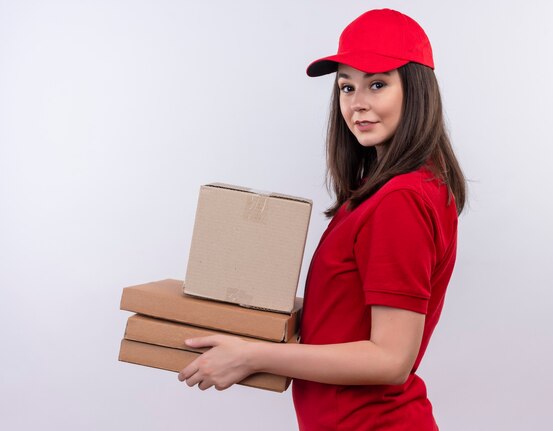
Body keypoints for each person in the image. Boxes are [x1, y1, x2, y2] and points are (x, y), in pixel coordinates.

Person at [178, 8, 466, 430]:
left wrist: (250, 355)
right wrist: (245, 316)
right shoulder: (385, 190)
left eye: (378, 84)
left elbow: (390, 360)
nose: (358, 104)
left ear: (417, 90)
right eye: (346, 87)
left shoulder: (401, 200)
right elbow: (347, 313)